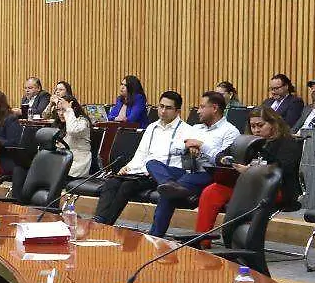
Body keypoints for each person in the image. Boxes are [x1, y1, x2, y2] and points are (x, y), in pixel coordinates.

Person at [193, 106, 302, 247]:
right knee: (211, 191)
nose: (256, 130)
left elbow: (283, 168)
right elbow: (222, 154)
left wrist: (252, 170)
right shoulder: (247, 141)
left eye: (260, 125)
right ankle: (201, 241)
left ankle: (240, 243)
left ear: (273, 124)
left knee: (243, 196)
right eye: (253, 126)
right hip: (247, 185)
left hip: (275, 189)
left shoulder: (287, 142)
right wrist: (226, 160)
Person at [147, 91, 239, 236]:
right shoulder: (196, 128)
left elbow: (224, 161)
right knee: (152, 163)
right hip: (189, 173)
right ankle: (169, 182)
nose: (198, 111)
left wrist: (201, 145)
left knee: (168, 192)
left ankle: (155, 235)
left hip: (210, 175)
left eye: (202, 107)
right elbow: (173, 148)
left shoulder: (230, 132)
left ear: (214, 108)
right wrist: (187, 146)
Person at [94, 91, 189, 226]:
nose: (163, 111)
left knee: (127, 186)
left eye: (168, 108)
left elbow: (181, 163)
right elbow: (141, 153)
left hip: (162, 176)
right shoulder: (152, 127)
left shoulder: (186, 130)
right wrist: (128, 167)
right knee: (112, 182)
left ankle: (105, 225)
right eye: (161, 106)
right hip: (140, 172)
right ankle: (98, 221)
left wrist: (154, 171)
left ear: (177, 111)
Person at [52, 95, 92, 178]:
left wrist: (69, 110)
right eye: (58, 110)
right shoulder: (60, 123)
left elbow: (72, 130)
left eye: (63, 109)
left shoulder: (83, 121)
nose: (61, 113)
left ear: (74, 109)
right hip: (62, 160)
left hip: (77, 163)